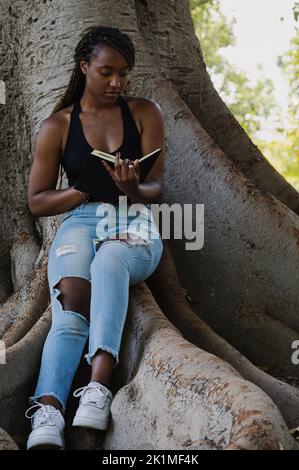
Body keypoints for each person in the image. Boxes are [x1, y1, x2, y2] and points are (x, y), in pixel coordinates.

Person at [25, 25, 165, 450]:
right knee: (69, 307)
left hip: (134, 219)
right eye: (106, 72)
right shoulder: (58, 125)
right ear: (84, 66)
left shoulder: (144, 112)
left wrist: (129, 186)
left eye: (124, 73)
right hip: (81, 221)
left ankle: (98, 389)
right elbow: (37, 200)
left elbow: (156, 187)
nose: (117, 82)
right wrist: (83, 188)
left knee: (110, 260)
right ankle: (47, 412)